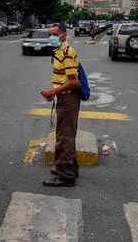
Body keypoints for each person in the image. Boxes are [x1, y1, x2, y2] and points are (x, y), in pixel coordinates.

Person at [41, 23, 81, 187]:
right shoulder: (59, 52)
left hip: (68, 98)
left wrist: (52, 92)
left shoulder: (66, 53)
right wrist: (55, 92)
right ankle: (71, 168)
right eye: (49, 34)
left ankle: (65, 176)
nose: (51, 37)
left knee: (64, 138)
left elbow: (74, 81)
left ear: (63, 35)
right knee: (66, 135)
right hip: (64, 97)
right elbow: (64, 79)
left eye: (54, 34)